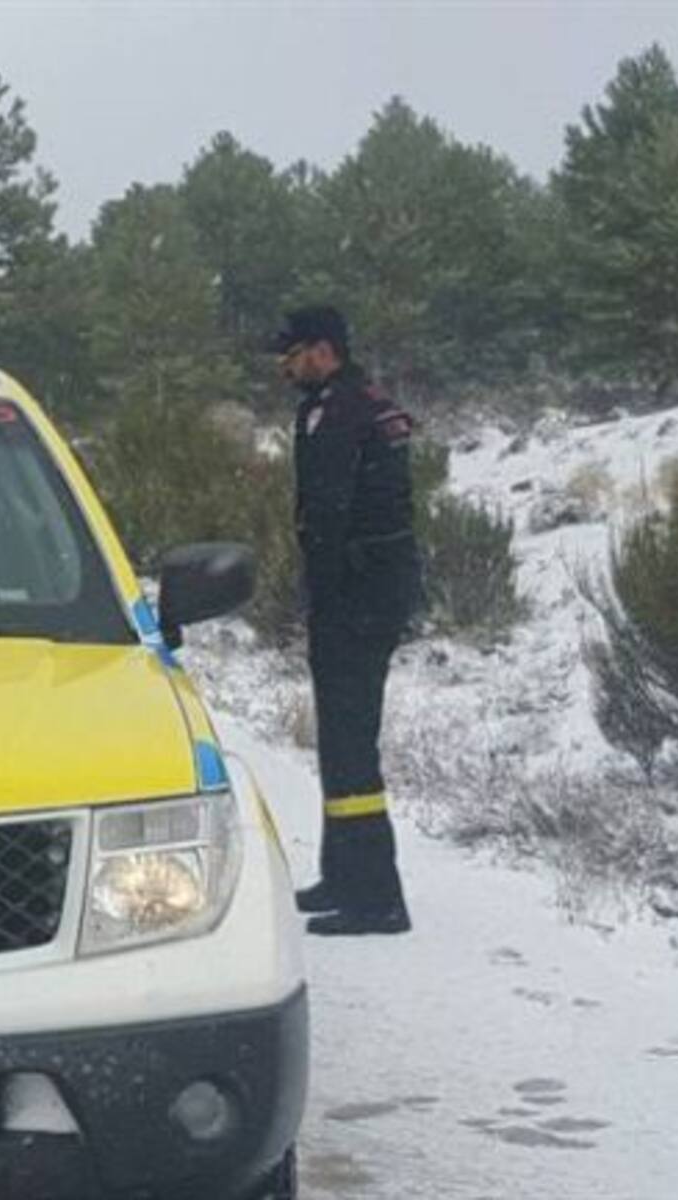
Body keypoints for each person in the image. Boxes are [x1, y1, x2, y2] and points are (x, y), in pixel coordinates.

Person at [268, 305, 422, 936]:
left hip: (357, 597)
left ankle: (376, 898)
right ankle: (343, 875)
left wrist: (321, 599)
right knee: (339, 738)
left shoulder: (341, 414)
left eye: (295, 353)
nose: (287, 365)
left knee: (351, 742)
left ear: (325, 351)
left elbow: (329, 516)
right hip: (369, 591)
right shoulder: (357, 401)